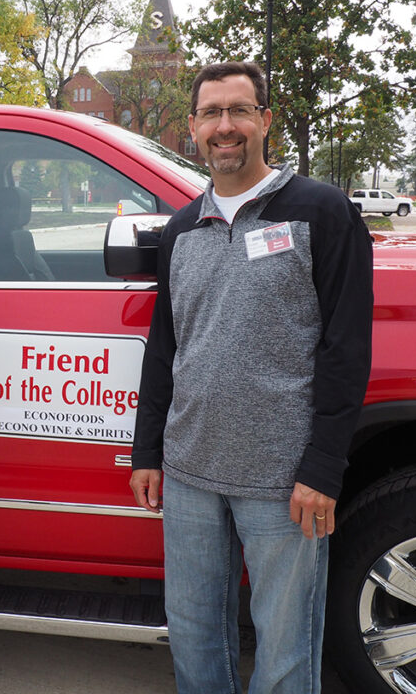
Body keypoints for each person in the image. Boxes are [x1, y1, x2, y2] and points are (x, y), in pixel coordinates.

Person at [129, 61, 373, 694]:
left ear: (265, 120)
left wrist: (322, 469)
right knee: (192, 631)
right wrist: (148, 451)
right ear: (193, 128)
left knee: (286, 647)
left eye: (239, 111)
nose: (225, 126)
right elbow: (166, 349)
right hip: (188, 474)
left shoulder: (321, 212)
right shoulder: (182, 230)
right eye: (211, 113)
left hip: (283, 479)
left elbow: (346, 351)